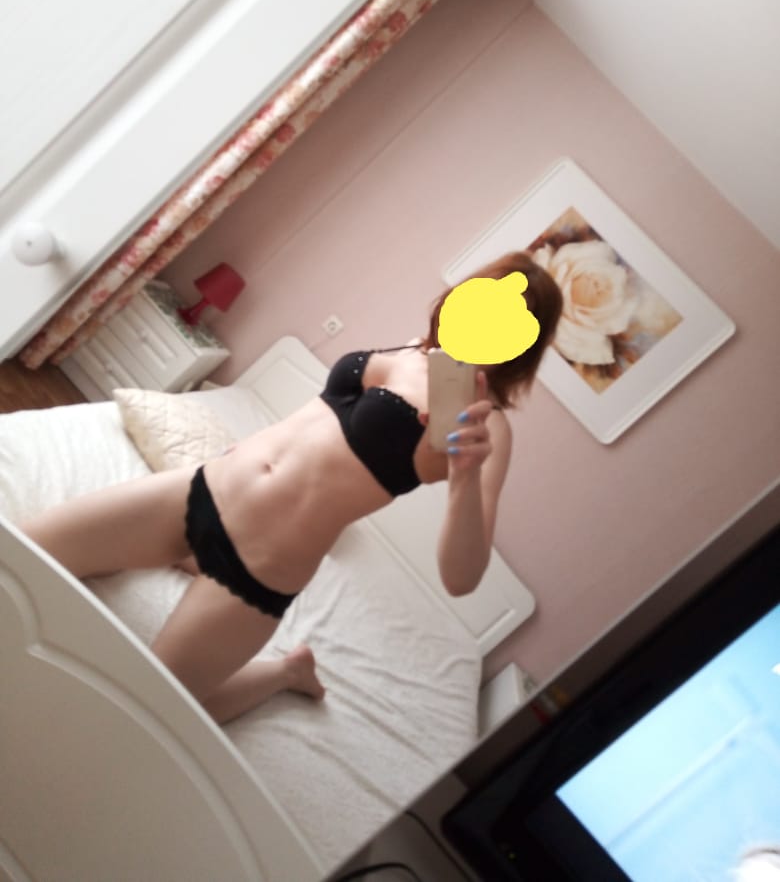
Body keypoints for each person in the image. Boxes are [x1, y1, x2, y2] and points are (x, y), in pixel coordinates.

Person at [22, 251, 562, 724]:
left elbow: (461, 578)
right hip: (201, 491)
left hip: (255, 571)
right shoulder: (412, 351)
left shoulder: (488, 427)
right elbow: (318, 429)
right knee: (22, 554)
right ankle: (183, 556)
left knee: (143, 710)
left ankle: (286, 672)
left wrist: (464, 478)